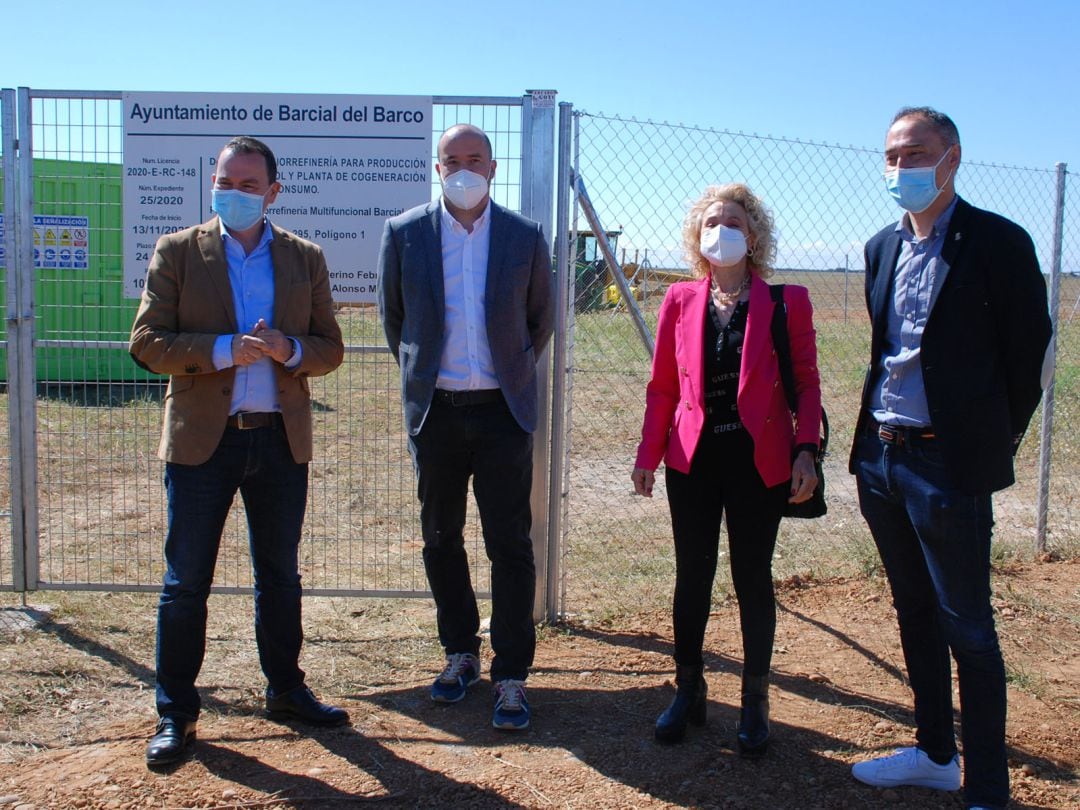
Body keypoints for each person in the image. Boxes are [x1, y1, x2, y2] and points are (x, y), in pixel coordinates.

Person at [848, 107, 1052, 810]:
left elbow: (1030, 358)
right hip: (882, 460)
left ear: (952, 157)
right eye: (892, 155)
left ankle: (988, 790)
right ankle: (936, 753)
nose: (902, 167)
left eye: (917, 153)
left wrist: (990, 440)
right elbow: (885, 356)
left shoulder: (996, 242)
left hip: (948, 467)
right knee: (912, 611)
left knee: (967, 624)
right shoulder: (881, 247)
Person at [130, 136, 348, 767]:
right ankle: (176, 714)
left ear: (273, 192)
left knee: (279, 576)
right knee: (185, 581)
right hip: (204, 441)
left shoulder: (304, 258)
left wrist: (289, 351)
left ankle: (285, 690)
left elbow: (329, 348)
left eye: (250, 185)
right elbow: (147, 341)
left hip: (279, 439)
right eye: (227, 181)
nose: (236, 192)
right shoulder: (178, 251)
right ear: (213, 183)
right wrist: (225, 349)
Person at [631, 183, 822, 754]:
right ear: (697, 236)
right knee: (692, 577)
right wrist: (648, 455)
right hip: (690, 463)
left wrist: (806, 449)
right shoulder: (680, 300)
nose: (722, 230)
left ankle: (754, 702)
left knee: (751, 579)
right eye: (712, 222)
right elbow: (663, 387)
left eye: (733, 221)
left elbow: (807, 385)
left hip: (757, 465)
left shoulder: (787, 301)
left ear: (753, 235)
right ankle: (687, 690)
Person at [377, 124, 554, 731]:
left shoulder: (525, 236)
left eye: (473, 159)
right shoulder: (404, 235)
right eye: (451, 160)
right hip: (438, 413)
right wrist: (428, 378)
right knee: (440, 537)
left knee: (509, 543)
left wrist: (507, 374)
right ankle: (460, 654)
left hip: (504, 412)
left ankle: (511, 673)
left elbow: (540, 318)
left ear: (493, 167)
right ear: (437, 167)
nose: (462, 168)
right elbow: (395, 320)